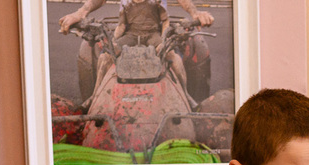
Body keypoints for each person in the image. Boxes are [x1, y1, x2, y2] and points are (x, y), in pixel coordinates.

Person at [58, 0, 214, 103]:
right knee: (98, 52)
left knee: (180, 53)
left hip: (155, 33)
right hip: (129, 33)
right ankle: (94, 98)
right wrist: (80, 13)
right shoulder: (128, 8)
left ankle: (187, 98)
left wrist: (195, 13)